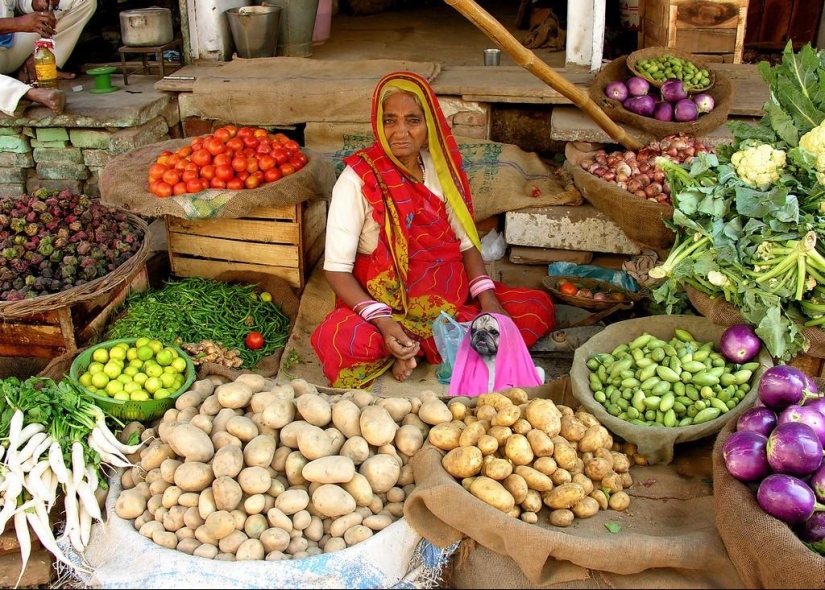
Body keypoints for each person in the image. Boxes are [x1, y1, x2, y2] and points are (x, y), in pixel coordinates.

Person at [310, 71, 556, 389]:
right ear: (377, 124)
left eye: (413, 120)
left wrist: (489, 302)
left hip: (449, 304)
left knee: (536, 308)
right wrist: (383, 322)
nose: (400, 132)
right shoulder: (357, 178)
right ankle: (414, 344)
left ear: (430, 125)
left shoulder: (441, 171)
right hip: (387, 307)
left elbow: (466, 245)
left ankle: (418, 347)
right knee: (338, 339)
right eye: (389, 120)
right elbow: (337, 270)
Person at [0, 0, 96, 115]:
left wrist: (35, 3)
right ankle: (28, 93)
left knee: (82, 1)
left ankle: (39, 68)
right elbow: (18, 23)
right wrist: (18, 23)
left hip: (9, 48)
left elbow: (15, 3)